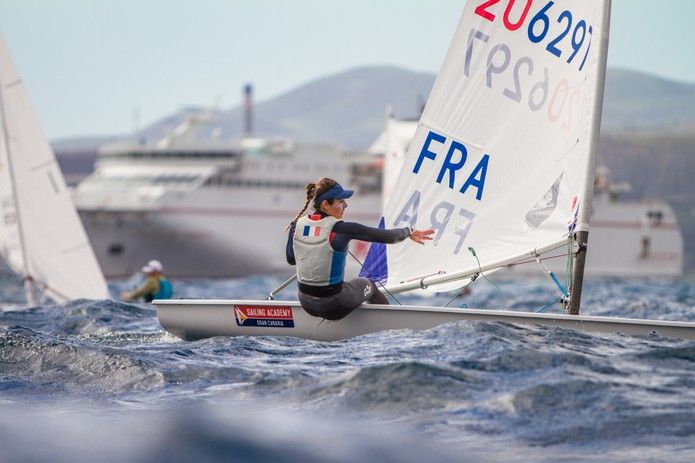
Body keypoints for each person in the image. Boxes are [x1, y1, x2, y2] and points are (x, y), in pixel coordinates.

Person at [286, 177, 434, 321]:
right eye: (341, 201)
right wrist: (409, 231)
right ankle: (391, 329)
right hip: (334, 305)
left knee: (344, 287)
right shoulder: (343, 229)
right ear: (325, 204)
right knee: (369, 284)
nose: (345, 205)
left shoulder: (296, 225)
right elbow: (390, 237)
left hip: (305, 303)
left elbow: (291, 259)